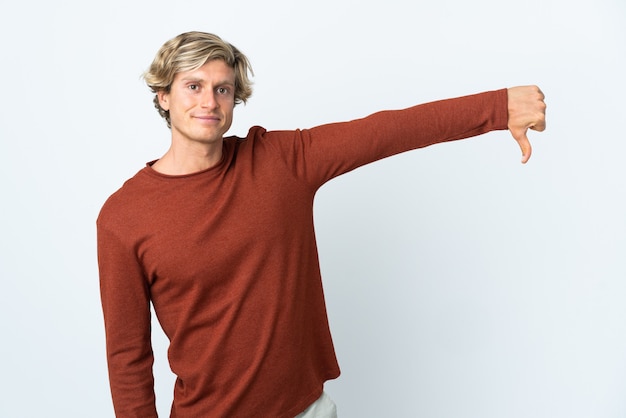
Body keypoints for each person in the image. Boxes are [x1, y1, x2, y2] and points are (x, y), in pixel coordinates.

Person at [97, 31, 546, 418]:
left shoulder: (279, 161)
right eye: (193, 86)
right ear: (163, 96)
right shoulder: (124, 217)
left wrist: (499, 106)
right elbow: (127, 358)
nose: (209, 102)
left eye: (223, 89)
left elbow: (384, 132)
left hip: (308, 410)